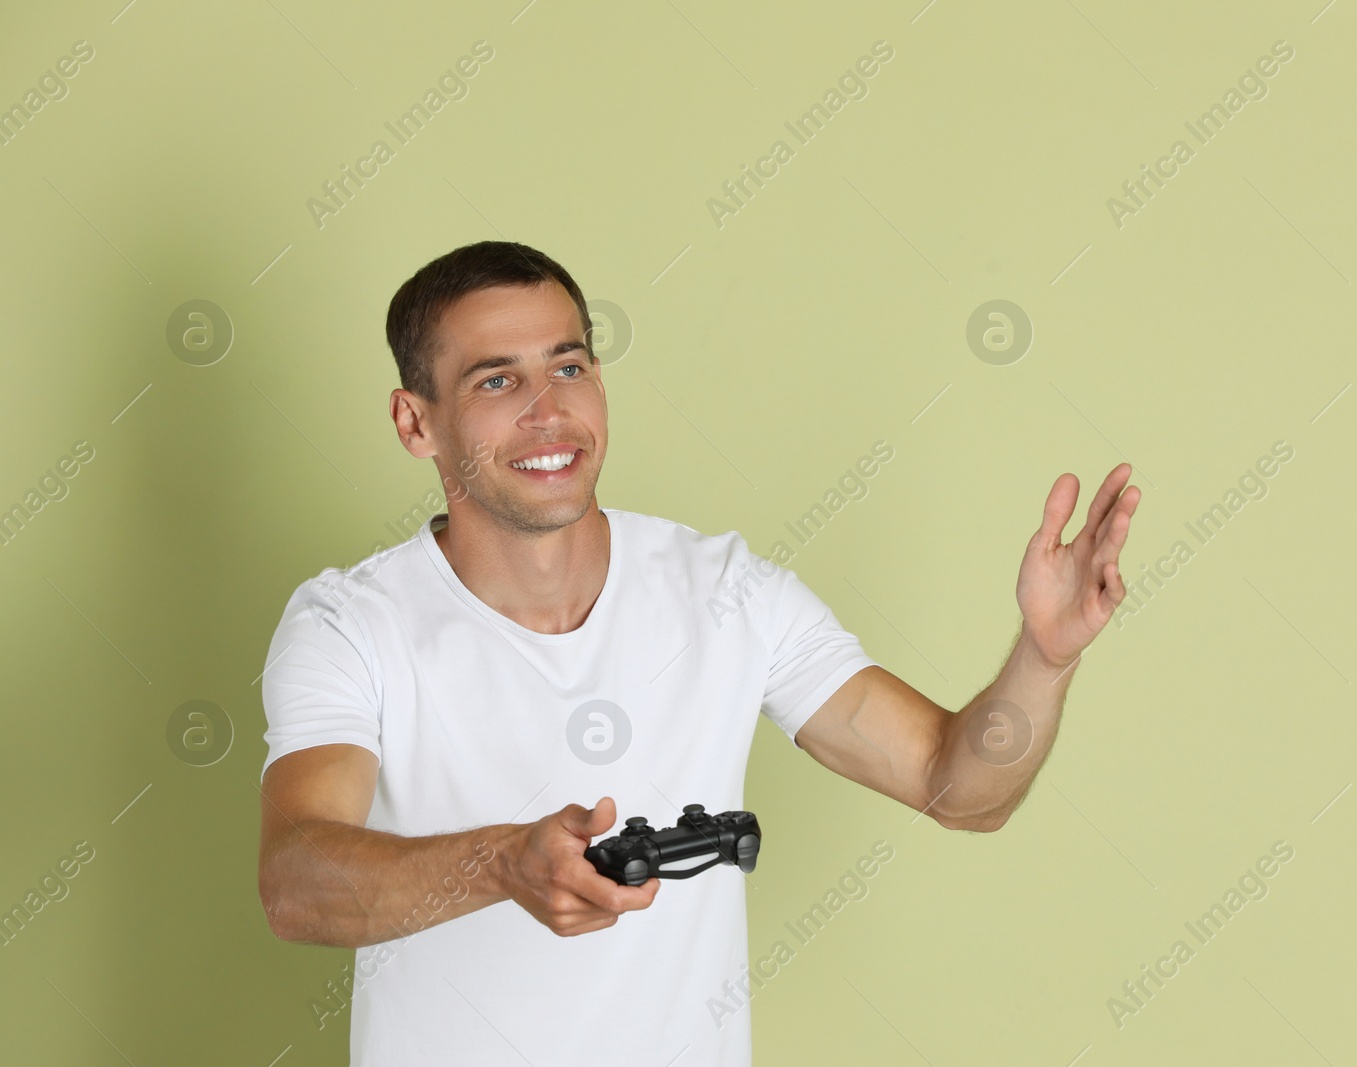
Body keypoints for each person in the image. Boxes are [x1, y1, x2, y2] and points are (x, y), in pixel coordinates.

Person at [255, 240, 1140, 1066]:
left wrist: (1045, 656)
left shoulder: (727, 592)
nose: (550, 411)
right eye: (497, 382)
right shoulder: (350, 623)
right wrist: (502, 864)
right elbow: (295, 879)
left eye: (570, 367)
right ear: (417, 423)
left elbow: (959, 790)